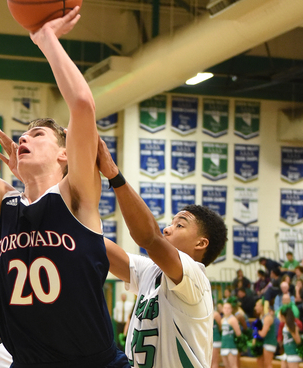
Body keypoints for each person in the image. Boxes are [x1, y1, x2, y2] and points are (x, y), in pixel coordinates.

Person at [0, 0, 127, 367]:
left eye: (38, 135)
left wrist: (46, 39)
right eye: (23, 135)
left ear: (64, 154)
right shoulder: (3, 204)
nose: (24, 138)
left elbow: (82, 106)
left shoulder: (77, 195)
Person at [87, 138, 227, 368]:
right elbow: (95, 244)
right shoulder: (150, 271)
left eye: (180, 225)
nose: (168, 228)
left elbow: (149, 238)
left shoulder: (195, 278)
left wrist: (114, 175)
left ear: (201, 244)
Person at [254, 299, 278, 368]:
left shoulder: (268, 318)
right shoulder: (262, 317)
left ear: (262, 307)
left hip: (269, 342)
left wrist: (256, 331)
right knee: (260, 361)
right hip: (264, 342)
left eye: (257, 306)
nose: (255, 308)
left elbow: (263, 333)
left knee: (268, 364)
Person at [221, 302, 241, 368]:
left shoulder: (233, 319)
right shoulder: (222, 320)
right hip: (224, 345)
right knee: (226, 366)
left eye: (228, 308)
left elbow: (238, 333)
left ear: (231, 309)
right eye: (225, 308)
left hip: (231, 345)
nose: (226, 310)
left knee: (233, 365)